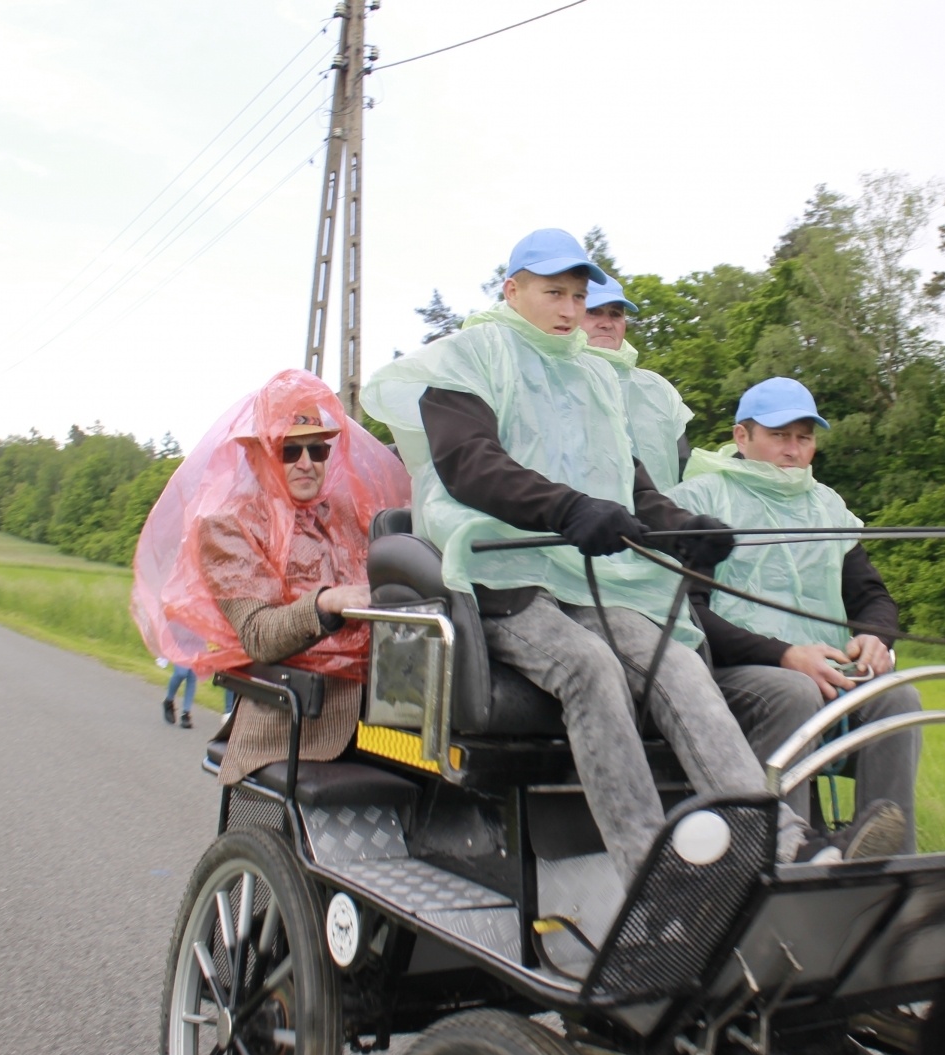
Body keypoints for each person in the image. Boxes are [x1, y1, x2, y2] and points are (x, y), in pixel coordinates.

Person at [363, 228, 848, 882]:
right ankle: (650, 865)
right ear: (513, 289)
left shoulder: (594, 376)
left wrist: (683, 529)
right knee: (589, 665)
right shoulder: (472, 355)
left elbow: (631, 484)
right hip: (500, 569)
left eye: (577, 294)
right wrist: (566, 508)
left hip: (589, 574)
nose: (568, 308)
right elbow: (470, 465)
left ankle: (777, 844)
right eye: (553, 292)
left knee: (672, 660)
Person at [669, 377, 921, 856]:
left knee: (898, 697)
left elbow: (872, 595)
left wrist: (874, 639)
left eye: (804, 437)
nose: (793, 450)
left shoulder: (827, 505)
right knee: (793, 691)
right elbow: (688, 611)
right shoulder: (698, 501)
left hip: (824, 669)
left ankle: (886, 863)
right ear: (742, 437)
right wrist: (784, 655)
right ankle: (790, 860)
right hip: (731, 670)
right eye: (779, 435)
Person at [131, 369, 410, 786]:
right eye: (288, 450)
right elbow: (258, 634)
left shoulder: (350, 515)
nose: (305, 463)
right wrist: (327, 602)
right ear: (259, 454)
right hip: (296, 723)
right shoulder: (229, 527)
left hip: (387, 716)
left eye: (317, 450)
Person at [580, 274, 693, 489]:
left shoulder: (659, 389)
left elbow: (684, 468)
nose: (606, 323)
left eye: (615, 314)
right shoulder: (549, 379)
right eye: (593, 311)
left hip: (656, 519)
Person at [162, 661, 197, 729]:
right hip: (181, 650)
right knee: (181, 673)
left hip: (197, 651)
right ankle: (169, 701)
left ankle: (186, 713)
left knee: (192, 675)